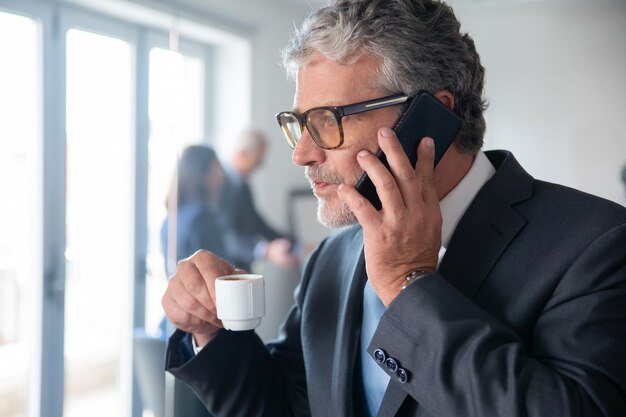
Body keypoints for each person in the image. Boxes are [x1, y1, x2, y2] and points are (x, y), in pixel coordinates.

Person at [161, 1, 626, 416]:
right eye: (299, 123)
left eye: (327, 121)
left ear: (430, 121)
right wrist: (211, 334)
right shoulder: (333, 257)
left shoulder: (597, 245)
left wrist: (409, 285)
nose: (301, 154)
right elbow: (289, 402)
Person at [218, 127, 298, 271]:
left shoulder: (242, 185)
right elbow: (227, 235)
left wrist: (294, 243)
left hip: (242, 268)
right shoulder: (221, 184)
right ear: (243, 153)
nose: (260, 165)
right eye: (258, 159)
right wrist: (266, 250)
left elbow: (258, 224)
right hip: (227, 270)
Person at [160, 144, 231, 277]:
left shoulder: (169, 219)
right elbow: (218, 277)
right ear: (201, 174)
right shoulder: (203, 219)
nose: (222, 179)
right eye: (217, 170)